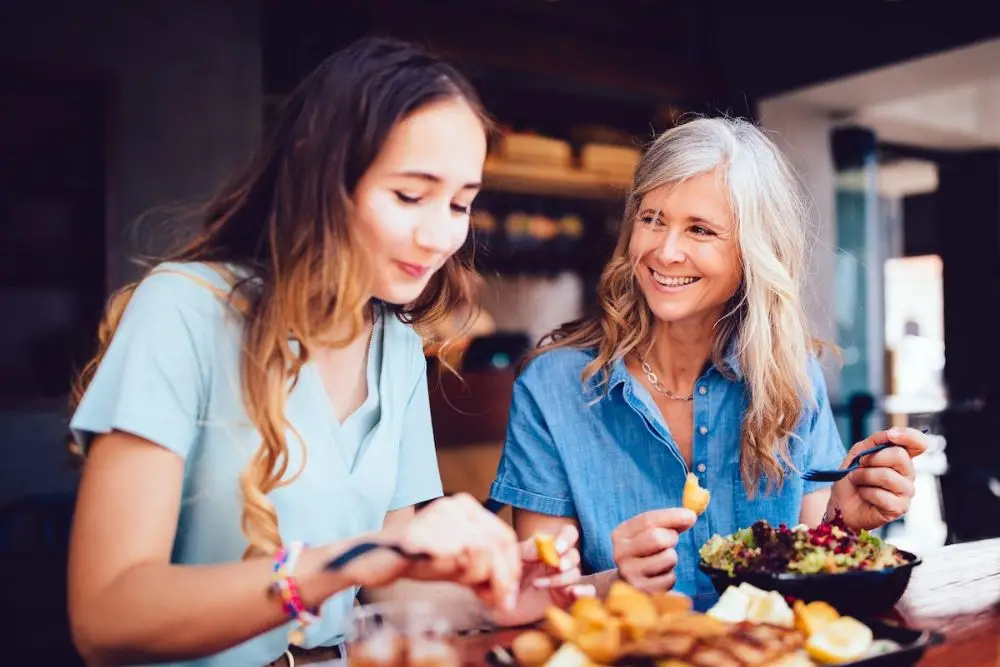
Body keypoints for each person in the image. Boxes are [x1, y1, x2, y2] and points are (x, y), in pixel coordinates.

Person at [67, 37, 585, 667]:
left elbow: (390, 581)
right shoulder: (183, 311)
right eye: (409, 195)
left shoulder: (396, 346)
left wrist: (492, 594)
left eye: (459, 204)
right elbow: (107, 613)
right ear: (320, 172)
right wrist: (350, 559)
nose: (440, 234)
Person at [488, 117, 930, 603]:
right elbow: (535, 597)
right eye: (652, 219)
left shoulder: (792, 378)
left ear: (752, 252)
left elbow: (816, 585)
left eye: (700, 229)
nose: (666, 251)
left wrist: (841, 522)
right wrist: (616, 583)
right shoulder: (553, 388)